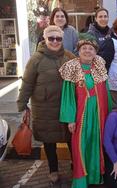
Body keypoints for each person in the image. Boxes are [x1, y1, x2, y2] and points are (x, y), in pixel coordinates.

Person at [17, 25, 76, 183]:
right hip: (44, 108)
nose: (55, 41)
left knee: (71, 137)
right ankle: (53, 170)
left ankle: (75, 164)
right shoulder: (36, 59)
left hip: (66, 106)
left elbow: (79, 80)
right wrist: (22, 104)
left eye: (58, 38)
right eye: (51, 38)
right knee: (49, 141)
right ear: (45, 39)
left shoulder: (69, 57)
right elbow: (27, 83)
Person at [59, 39, 112, 187]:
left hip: (99, 115)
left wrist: (109, 115)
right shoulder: (72, 67)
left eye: (91, 49)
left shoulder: (99, 67)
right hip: (81, 116)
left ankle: (95, 177)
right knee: (81, 146)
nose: (87, 51)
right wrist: (70, 119)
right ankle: (81, 181)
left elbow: (106, 92)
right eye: (84, 48)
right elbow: (68, 96)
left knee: (97, 143)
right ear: (79, 51)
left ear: (95, 52)